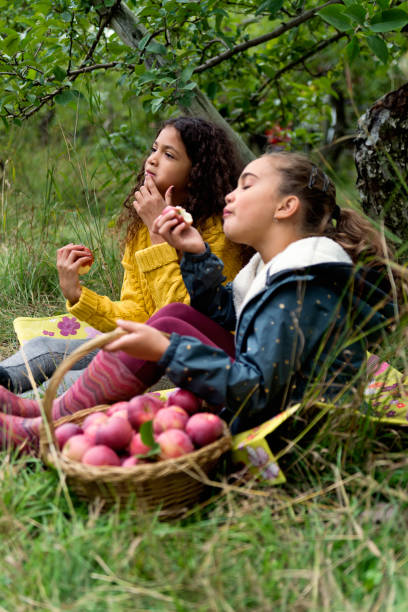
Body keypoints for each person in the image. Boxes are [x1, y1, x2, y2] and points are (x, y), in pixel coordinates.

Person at [0, 151, 397, 452]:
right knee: (174, 315)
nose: (231, 193)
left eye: (246, 185)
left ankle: (42, 435)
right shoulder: (277, 270)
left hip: (290, 433)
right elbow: (227, 313)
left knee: (169, 327)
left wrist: (168, 349)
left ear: (285, 207)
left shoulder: (302, 290)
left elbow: (259, 393)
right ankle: (49, 415)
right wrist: (194, 254)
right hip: (271, 400)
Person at [0, 116, 247, 394]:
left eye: (169, 154)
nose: (152, 160)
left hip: (188, 361)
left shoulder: (218, 231)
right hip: (144, 345)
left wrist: (158, 242)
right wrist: (78, 296)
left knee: (78, 380)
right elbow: (138, 314)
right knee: (43, 348)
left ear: (198, 171)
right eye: (154, 149)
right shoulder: (141, 227)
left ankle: (22, 411)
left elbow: (183, 320)